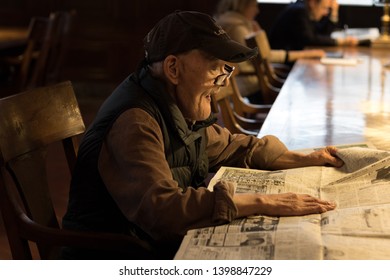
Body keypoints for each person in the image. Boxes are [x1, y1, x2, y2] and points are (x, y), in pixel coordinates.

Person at [62, 10, 343, 260]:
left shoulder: (176, 105)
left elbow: (230, 146)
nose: (222, 83)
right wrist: (264, 202)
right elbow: (163, 210)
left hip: (151, 244)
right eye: (215, 69)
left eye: (227, 69)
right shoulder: (136, 121)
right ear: (173, 68)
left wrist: (303, 157)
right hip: (117, 254)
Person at [214, 0, 326, 103]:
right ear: (243, 6)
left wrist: (259, 32)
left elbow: (263, 54)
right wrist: (304, 54)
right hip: (251, 83)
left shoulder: (241, 23)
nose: (257, 10)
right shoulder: (236, 27)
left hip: (257, 78)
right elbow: (264, 56)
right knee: (305, 94)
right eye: (254, 6)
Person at [269, 0, 358, 51]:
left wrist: (334, 12)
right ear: (312, 3)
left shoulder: (303, 9)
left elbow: (321, 32)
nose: (325, 13)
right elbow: (310, 39)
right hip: (282, 61)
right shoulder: (299, 11)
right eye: (324, 8)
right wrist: (340, 41)